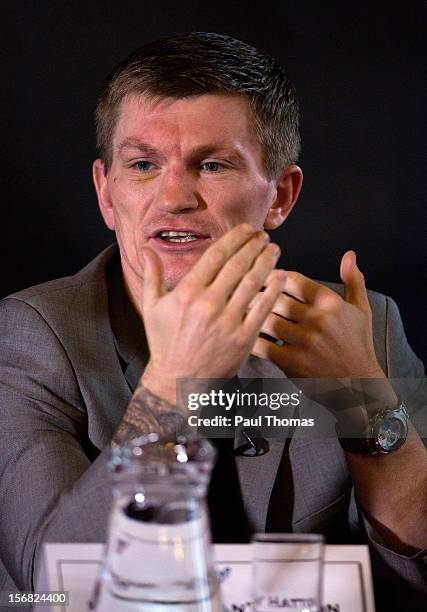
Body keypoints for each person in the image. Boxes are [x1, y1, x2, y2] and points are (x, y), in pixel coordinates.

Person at [0, 32, 425, 610]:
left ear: (280, 195)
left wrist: (362, 401)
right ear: (106, 194)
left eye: (213, 164)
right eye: (144, 164)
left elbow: (417, 579)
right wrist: (174, 382)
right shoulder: (32, 333)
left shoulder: (364, 323)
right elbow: (50, 588)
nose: (174, 196)